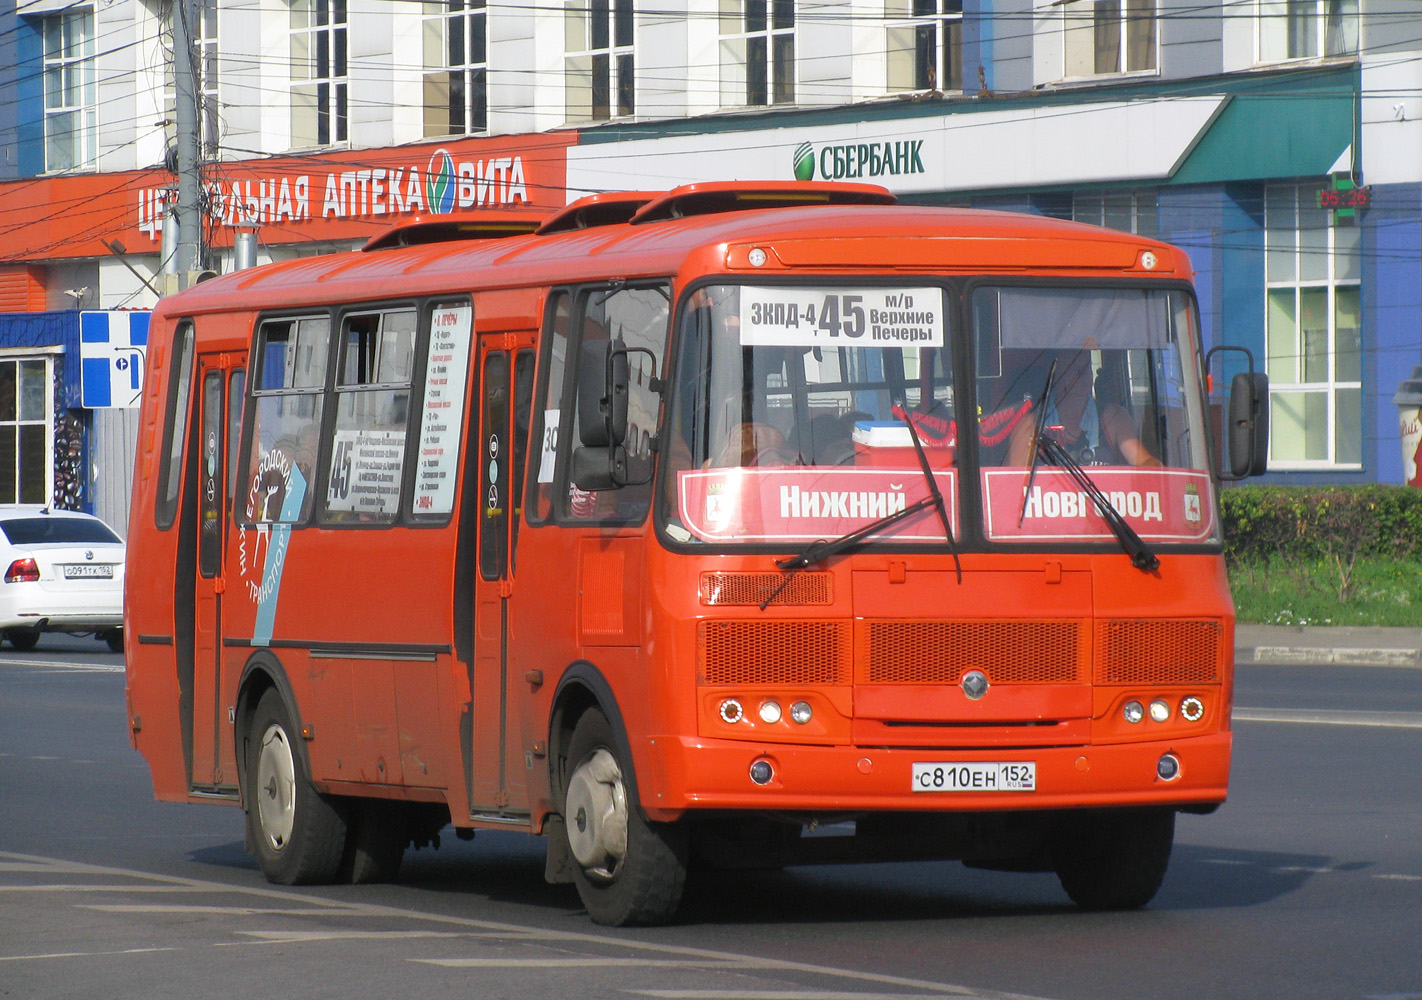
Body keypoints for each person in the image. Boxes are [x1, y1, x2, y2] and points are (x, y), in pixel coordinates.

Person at [1003, 350, 1160, 467]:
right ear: (1056, 374)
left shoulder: (1114, 416)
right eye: (1074, 369)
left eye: (1087, 367)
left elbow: (1144, 461)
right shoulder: (1030, 423)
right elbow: (1014, 480)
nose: (1083, 374)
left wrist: (1158, 470)